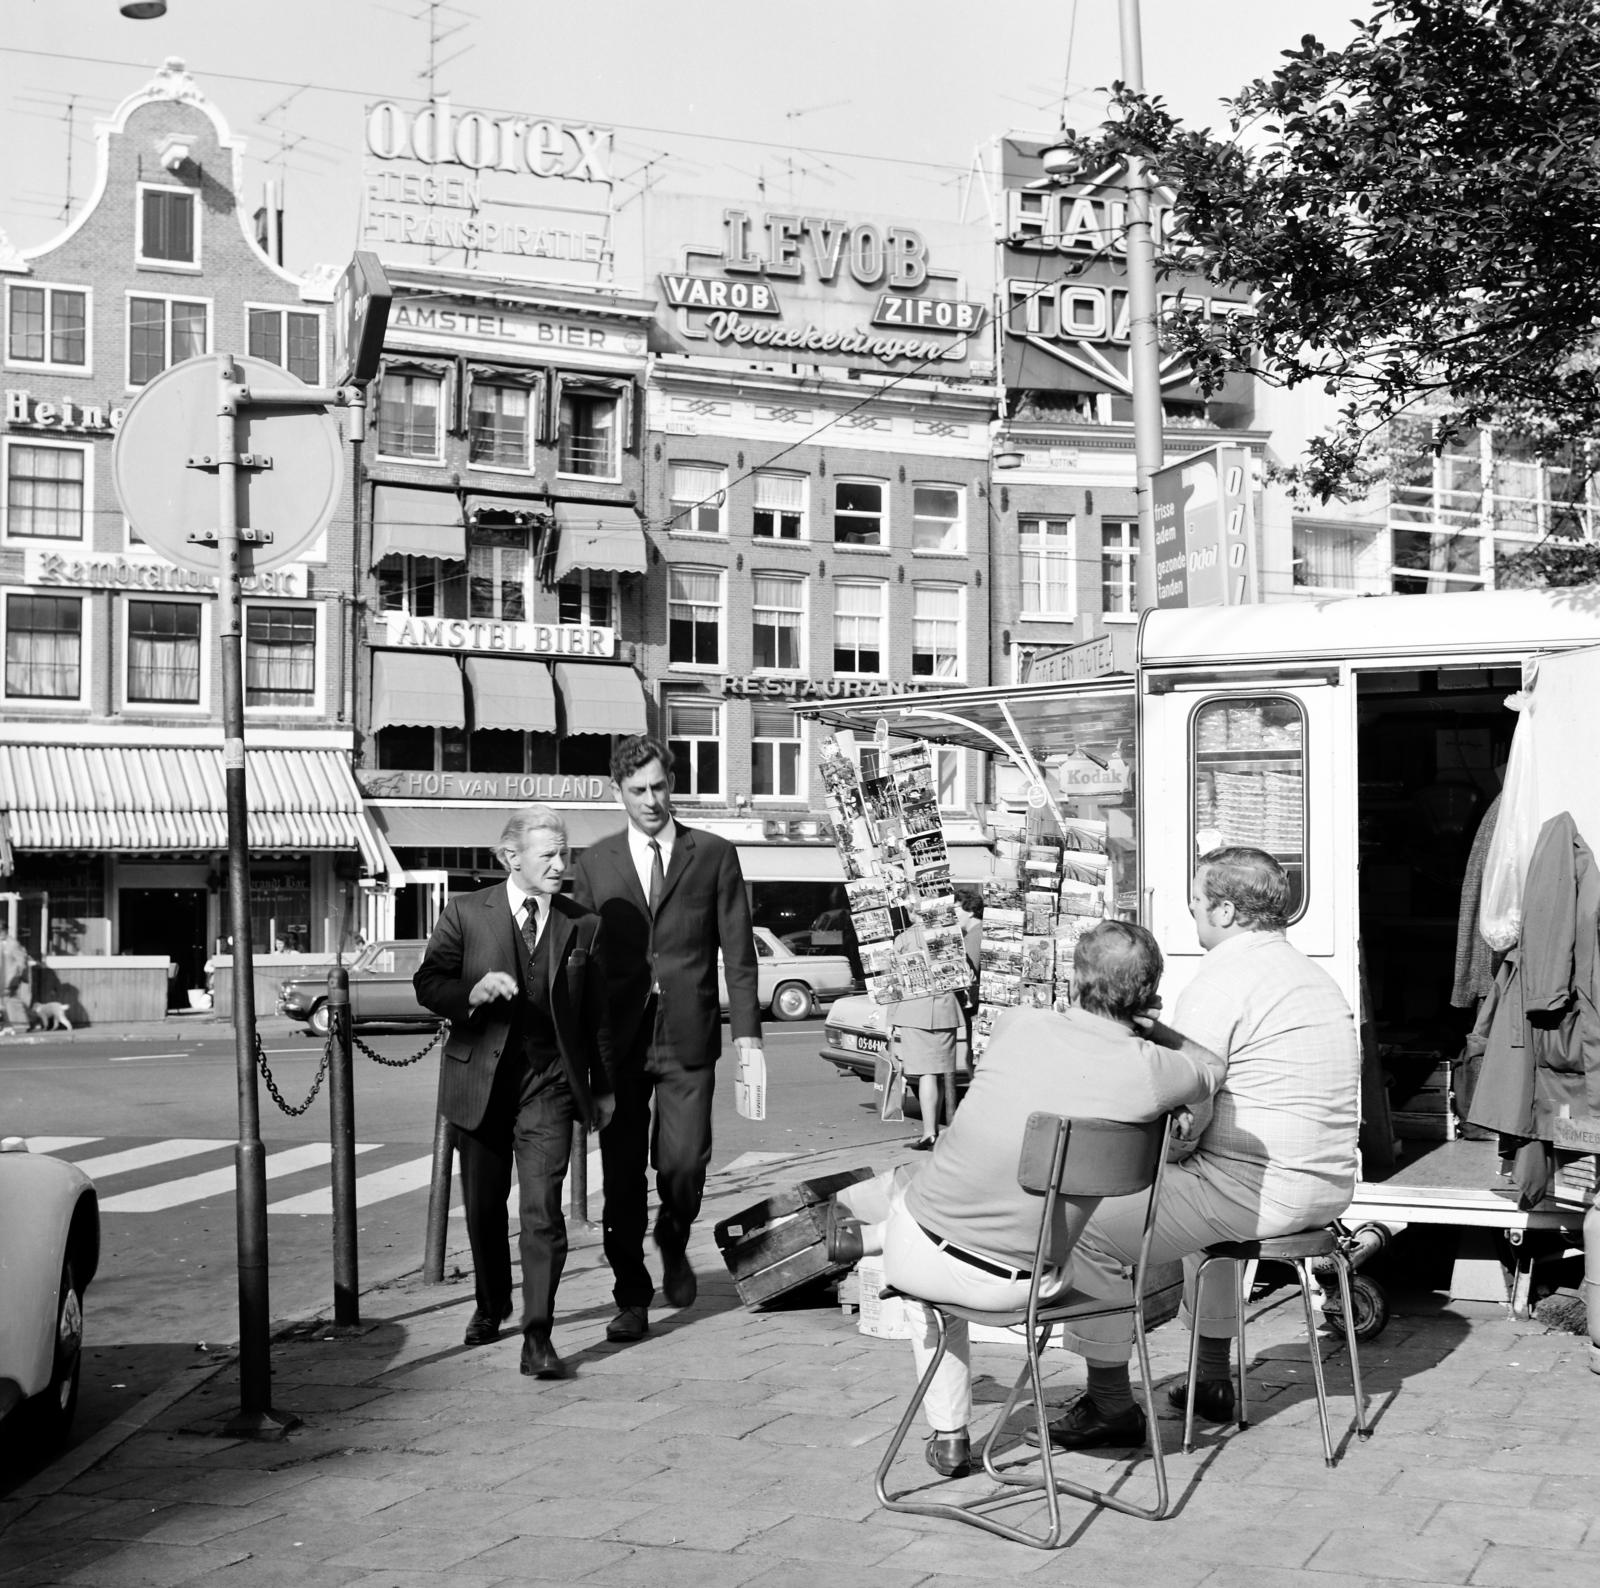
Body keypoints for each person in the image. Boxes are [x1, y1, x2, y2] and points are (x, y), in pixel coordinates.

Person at [828, 920, 1224, 1478]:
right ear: (1148, 994)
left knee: (919, 1240)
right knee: (931, 1206)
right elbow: (1213, 1068)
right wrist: (1153, 1029)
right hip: (1028, 1282)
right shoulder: (1152, 1071)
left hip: (921, 1258)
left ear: (1075, 980)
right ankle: (876, 1237)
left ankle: (949, 1435)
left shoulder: (1017, 1025)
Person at [1034, 847, 1361, 1451]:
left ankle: (1109, 1406)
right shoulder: (1315, 976)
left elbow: (1186, 1117)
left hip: (1258, 1189)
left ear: (1227, 910)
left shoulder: (1220, 982)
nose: (1193, 917)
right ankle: (1210, 1378)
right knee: (1187, 1213)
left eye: (1196, 904)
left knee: (1086, 1227)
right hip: (1328, 1186)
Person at [570, 735, 763, 1343]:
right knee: (623, 1175)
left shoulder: (713, 854)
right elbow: (576, 959)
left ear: (671, 783)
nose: (651, 800)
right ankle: (630, 1296)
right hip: (618, 1041)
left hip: (689, 1033)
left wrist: (750, 1039)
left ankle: (674, 1235)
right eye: (637, 791)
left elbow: (738, 951)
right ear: (617, 792)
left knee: (684, 1162)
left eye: (659, 787)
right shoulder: (594, 863)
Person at [414, 806, 616, 1380]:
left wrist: (601, 1089)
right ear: (511, 858)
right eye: (548, 854)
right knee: (482, 1209)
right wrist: (471, 992)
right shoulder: (465, 913)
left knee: (541, 1212)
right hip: (480, 1081)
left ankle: (538, 1335)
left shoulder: (583, 925)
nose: (561, 864)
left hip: (549, 1086)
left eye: (564, 852)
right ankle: (490, 1301)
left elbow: (596, 1017)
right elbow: (428, 982)